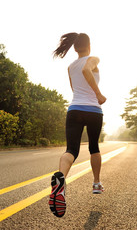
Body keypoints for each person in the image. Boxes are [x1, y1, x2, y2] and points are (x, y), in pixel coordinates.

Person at [49, 32, 107, 218]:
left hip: (74, 109)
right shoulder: (93, 58)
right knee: (93, 146)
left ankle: (61, 179)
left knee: (71, 150)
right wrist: (98, 94)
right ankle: (96, 183)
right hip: (93, 110)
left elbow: (75, 89)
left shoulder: (70, 66)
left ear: (74, 48)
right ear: (89, 46)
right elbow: (86, 71)